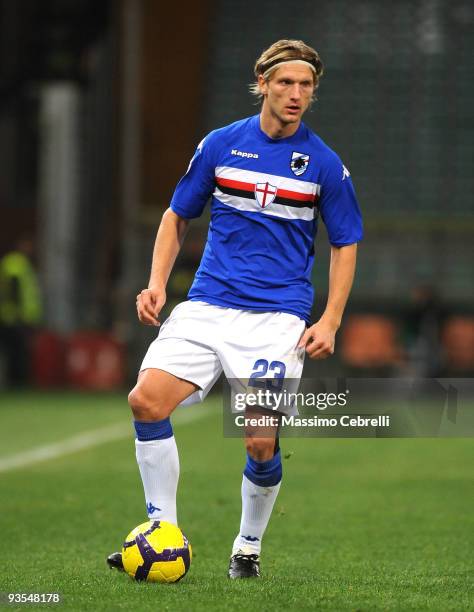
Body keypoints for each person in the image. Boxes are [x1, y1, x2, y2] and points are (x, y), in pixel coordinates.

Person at [107, 39, 363, 579]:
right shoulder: (221, 145)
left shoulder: (324, 164)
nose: (296, 94)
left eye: (306, 86)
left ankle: (247, 547)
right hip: (207, 306)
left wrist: (331, 318)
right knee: (146, 401)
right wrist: (156, 283)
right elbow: (177, 216)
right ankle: (163, 531)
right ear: (263, 84)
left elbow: (345, 243)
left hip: (277, 321)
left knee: (258, 438)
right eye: (286, 83)